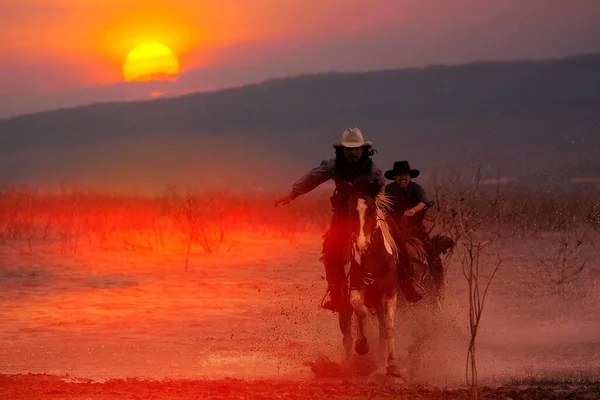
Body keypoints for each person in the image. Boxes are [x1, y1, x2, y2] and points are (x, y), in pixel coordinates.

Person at [274, 127, 386, 311]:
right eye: (349, 149)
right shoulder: (334, 165)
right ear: (342, 151)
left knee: (386, 245)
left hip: (366, 215)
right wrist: (293, 193)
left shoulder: (372, 169)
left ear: (363, 150)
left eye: (356, 149)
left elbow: (381, 189)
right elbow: (312, 177)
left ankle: (402, 282)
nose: (352, 152)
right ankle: (335, 293)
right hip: (343, 215)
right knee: (331, 248)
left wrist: (375, 209)